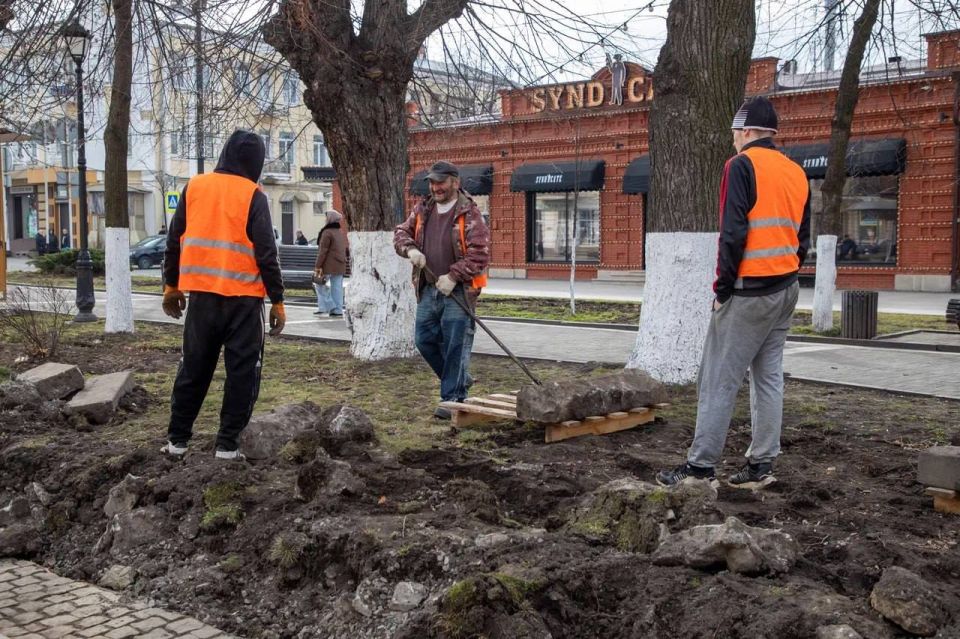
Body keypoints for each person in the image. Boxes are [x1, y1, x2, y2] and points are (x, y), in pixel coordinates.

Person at [656, 96, 810, 490]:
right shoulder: (795, 171)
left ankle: (701, 468)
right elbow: (802, 237)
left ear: (744, 132)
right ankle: (761, 466)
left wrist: (722, 289)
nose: (733, 140)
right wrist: (789, 273)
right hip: (786, 288)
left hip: (748, 291)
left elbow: (733, 232)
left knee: (717, 379)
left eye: (734, 133)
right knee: (768, 378)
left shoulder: (740, 166)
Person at [160, 129, 286, 461]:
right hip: (244, 303)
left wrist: (171, 286)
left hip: (201, 300)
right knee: (242, 373)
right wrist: (278, 300)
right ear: (255, 161)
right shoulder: (253, 195)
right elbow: (267, 254)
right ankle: (228, 446)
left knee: (193, 369)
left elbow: (174, 241)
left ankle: (177, 440)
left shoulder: (195, 187)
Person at [394, 160, 491, 420]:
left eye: (440, 182)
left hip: (459, 292)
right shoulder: (422, 209)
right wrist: (411, 249)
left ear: (454, 182)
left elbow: (479, 255)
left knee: (455, 345)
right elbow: (401, 233)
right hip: (428, 288)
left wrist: (453, 276)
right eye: (432, 182)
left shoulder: (470, 213)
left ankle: (452, 398)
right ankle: (459, 379)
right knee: (424, 340)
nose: (435, 187)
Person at [313, 210, 347, 317]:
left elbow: (323, 251)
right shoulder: (340, 232)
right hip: (340, 263)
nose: (325, 219)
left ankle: (329, 305)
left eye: (326, 217)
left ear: (330, 219)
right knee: (337, 287)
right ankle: (337, 309)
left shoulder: (327, 232)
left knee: (318, 283)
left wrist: (317, 266)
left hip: (327, 265)